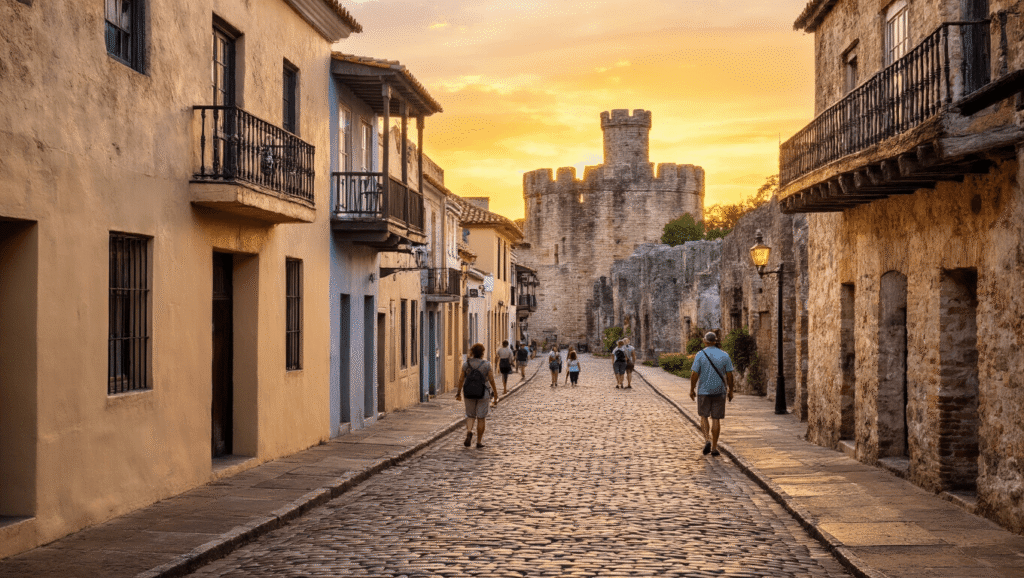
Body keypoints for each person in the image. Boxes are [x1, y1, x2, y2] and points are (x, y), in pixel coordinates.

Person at [689, 332, 735, 457]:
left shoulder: (700, 354)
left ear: (704, 341)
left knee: (703, 416)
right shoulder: (724, 355)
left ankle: (707, 440)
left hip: (704, 391)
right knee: (716, 419)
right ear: (716, 341)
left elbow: (694, 374)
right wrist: (731, 390)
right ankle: (714, 447)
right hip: (719, 391)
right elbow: (730, 375)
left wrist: (692, 389)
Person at [455, 343, 499, 449]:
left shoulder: (467, 364)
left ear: (472, 352)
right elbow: (492, 380)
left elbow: (461, 379)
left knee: (470, 415)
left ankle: (469, 432)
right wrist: (496, 393)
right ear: (482, 353)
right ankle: (479, 442)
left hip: (468, 392)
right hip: (483, 393)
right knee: (481, 417)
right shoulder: (487, 364)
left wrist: (458, 392)